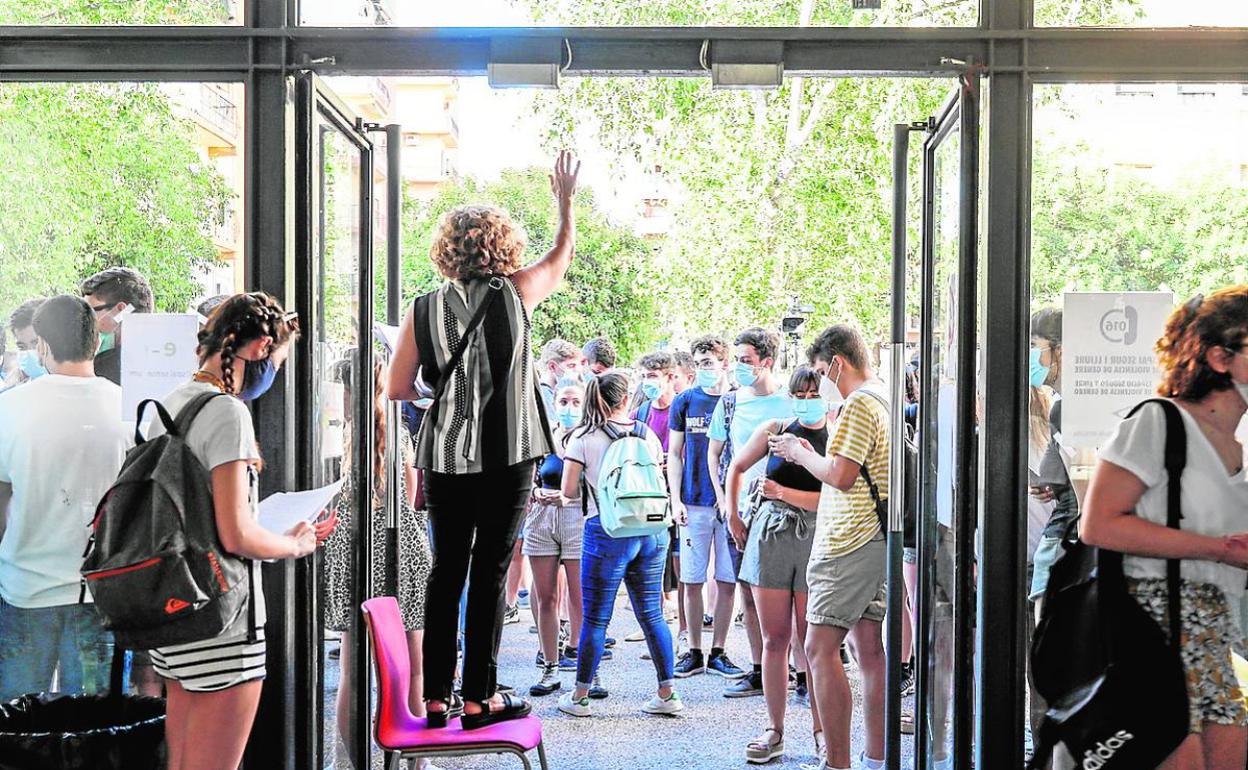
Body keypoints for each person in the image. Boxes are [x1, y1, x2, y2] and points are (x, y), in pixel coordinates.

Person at [388, 151, 580, 730]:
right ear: (503, 247)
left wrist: (443, 391)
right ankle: (480, 697)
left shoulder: (422, 309)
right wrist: (565, 203)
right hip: (509, 454)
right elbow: (560, 258)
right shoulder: (518, 291)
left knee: (447, 569)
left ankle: (438, 697)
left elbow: (398, 386)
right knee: (492, 570)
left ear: (447, 250)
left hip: (445, 455)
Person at [146, 292, 332, 770]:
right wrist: (294, 543)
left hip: (175, 613)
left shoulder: (170, 403)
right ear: (260, 347)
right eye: (279, 361)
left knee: (182, 760)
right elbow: (236, 536)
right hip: (222, 623)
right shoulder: (226, 412)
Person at [1081, 289, 1248, 770]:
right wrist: (1218, 549)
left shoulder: (1237, 442)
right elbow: (1099, 524)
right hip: (1150, 629)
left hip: (1212, 634)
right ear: (1220, 358)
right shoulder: (1160, 423)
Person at [769, 324, 889, 770]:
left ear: (837, 363)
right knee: (869, 650)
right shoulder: (883, 397)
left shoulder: (858, 404)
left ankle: (838, 762)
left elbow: (841, 475)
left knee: (820, 648)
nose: (818, 382)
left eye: (820, 372)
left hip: (849, 541)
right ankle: (876, 755)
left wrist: (801, 454)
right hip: (874, 536)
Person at [0, 296, 131, 701]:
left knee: (16, 734)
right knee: (95, 734)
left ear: (42, 345)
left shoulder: (9, 408)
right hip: (102, 592)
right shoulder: (129, 407)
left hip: (23, 588)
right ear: (96, 343)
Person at [322, 351, 432, 767]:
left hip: (349, 545)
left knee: (353, 672)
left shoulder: (330, 438)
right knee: (412, 667)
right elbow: (411, 494)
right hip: (402, 544)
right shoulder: (398, 433)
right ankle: (414, 761)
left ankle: (348, 761)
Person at [557, 372, 684, 718]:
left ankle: (580, 696)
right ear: (626, 399)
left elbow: (569, 491)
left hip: (607, 531)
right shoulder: (645, 434)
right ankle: (667, 692)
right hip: (651, 531)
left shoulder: (581, 437)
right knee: (653, 614)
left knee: (596, 619)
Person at [728, 366, 828, 763]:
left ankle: (823, 731)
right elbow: (735, 466)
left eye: (813, 392)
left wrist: (784, 492)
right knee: (774, 639)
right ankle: (775, 729)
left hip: (816, 536)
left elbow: (838, 495)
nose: (806, 400)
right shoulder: (777, 428)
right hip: (770, 533)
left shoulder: (835, 433)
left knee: (814, 642)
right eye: (800, 393)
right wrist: (732, 514)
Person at [708, 327, 791, 698]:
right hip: (741, 511)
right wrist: (726, 503)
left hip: (785, 509)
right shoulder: (729, 403)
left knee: (791, 593)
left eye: (746, 361)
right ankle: (760, 668)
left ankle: (795, 670)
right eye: (737, 361)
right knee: (748, 591)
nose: (739, 368)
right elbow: (716, 455)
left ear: (767, 363)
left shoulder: (792, 401)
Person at [668, 334, 745, 680]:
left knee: (727, 579)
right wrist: (675, 498)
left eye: (709, 363)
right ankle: (694, 649)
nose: (703, 370)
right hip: (694, 500)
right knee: (692, 578)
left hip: (729, 504)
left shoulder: (737, 401)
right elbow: (674, 453)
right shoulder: (685, 401)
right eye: (698, 364)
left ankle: (720, 650)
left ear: (724, 363)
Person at [525, 379, 587, 697]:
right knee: (546, 596)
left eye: (576, 402)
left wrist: (568, 497)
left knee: (580, 596)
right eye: (563, 401)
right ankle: (550, 665)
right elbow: (526, 476)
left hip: (577, 517)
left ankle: (585, 669)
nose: (568, 408)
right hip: (542, 518)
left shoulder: (590, 436)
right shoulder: (542, 434)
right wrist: (537, 493)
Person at [80, 266, 154, 386]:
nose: (85, 318)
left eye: (90, 311)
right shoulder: (162, 363)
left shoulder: (101, 368)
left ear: (121, 311)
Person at [1, 298, 45, 393]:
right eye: (22, 347)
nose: (30, 352)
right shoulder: (10, 394)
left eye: (36, 343)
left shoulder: (79, 388)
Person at [538, 338, 584, 421]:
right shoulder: (544, 397)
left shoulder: (556, 393)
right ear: (552, 366)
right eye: (571, 366)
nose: (577, 371)